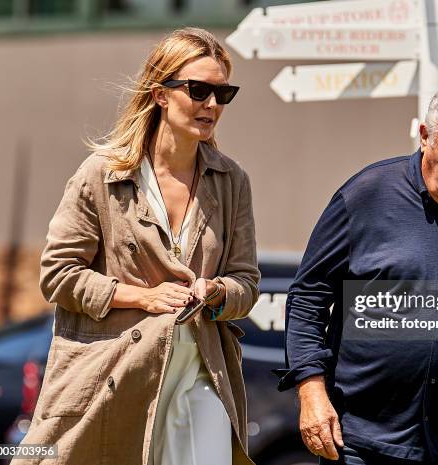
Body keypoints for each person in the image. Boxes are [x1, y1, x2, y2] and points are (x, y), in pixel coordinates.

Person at [17, 28, 259, 465]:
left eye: (223, 93)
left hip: (201, 372)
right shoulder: (103, 174)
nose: (212, 105)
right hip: (117, 370)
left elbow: (247, 282)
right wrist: (143, 297)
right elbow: (58, 274)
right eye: (199, 90)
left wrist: (219, 292)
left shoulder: (232, 181)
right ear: (161, 94)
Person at [276, 88, 438, 465]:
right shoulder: (366, 196)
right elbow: (308, 298)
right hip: (363, 442)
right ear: (425, 137)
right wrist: (311, 393)